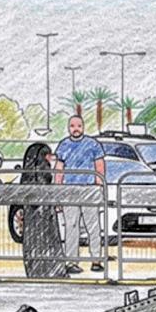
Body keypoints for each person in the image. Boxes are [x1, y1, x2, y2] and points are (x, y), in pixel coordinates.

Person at [53, 114, 106, 274]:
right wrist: (58, 192)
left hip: (89, 190)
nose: (75, 129)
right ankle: (71, 261)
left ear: (83, 127)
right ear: (68, 128)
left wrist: (99, 188)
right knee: (71, 226)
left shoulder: (93, 144)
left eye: (78, 126)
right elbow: (59, 170)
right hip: (69, 191)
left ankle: (96, 260)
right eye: (72, 126)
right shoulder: (63, 145)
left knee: (93, 226)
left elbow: (100, 167)